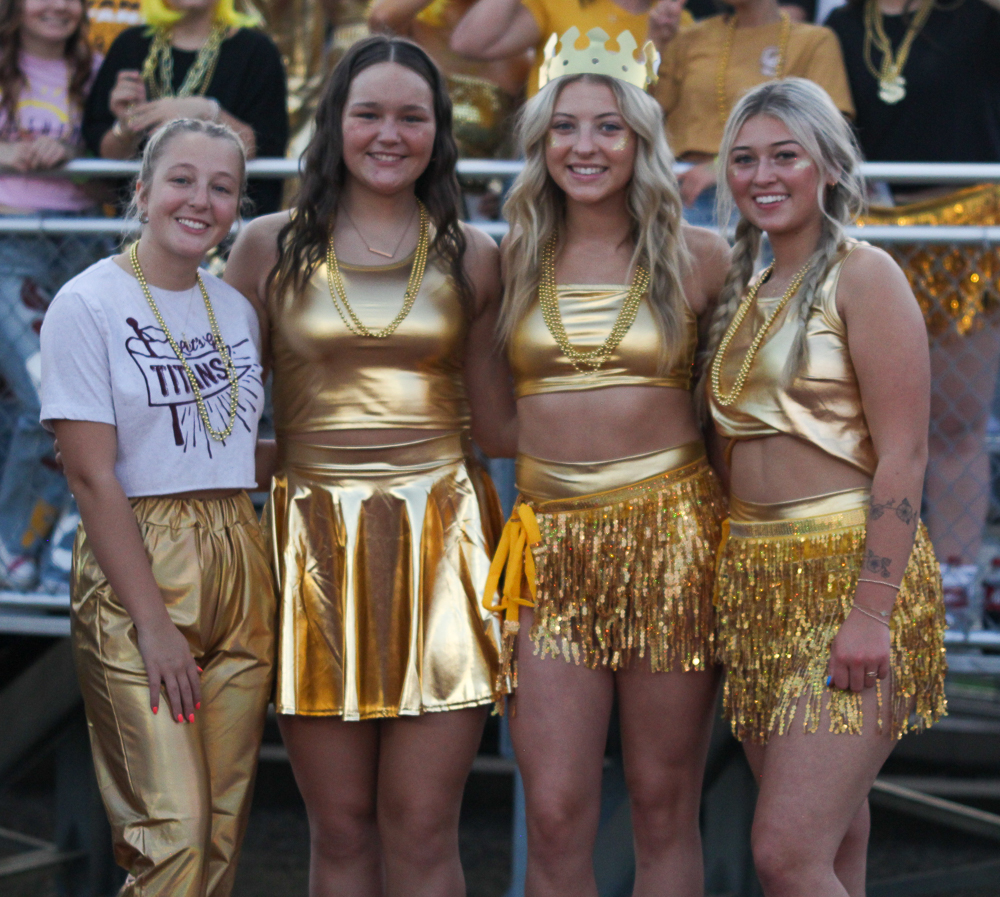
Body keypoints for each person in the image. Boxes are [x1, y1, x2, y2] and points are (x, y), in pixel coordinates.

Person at [223, 35, 515, 896]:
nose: (390, 134)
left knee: (423, 827)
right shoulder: (265, 246)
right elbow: (224, 418)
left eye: (412, 116)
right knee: (342, 828)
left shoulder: (475, 253)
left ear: (439, 131)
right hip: (312, 543)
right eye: (369, 113)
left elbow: (498, 424)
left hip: (445, 546)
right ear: (334, 124)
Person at [482, 27, 729, 897]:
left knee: (664, 801)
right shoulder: (506, 258)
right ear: (541, 140)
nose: (584, 147)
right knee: (552, 808)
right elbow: (486, 414)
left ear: (643, 143)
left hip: (670, 543)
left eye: (610, 128)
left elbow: (727, 417)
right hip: (547, 548)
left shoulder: (702, 259)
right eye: (565, 128)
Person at [704, 78, 947, 895]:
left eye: (785, 155)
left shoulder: (866, 275)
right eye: (743, 159)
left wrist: (872, 609)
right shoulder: (748, 289)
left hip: (850, 580)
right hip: (756, 588)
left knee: (785, 852)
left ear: (830, 168)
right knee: (834, 848)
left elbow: (905, 454)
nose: (762, 175)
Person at [39, 117, 275, 896]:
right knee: (169, 832)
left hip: (238, 547)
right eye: (181, 179)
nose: (200, 199)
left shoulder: (233, 308)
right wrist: (151, 622)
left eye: (221, 186)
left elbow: (226, 447)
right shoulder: (89, 302)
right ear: (141, 191)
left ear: (237, 205)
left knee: (221, 827)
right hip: (141, 555)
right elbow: (91, 476)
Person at [826, 0, 1000, 626]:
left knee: (955, 423)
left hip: (970, 232)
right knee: (869, 426)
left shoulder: (979, 18)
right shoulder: (845, 24)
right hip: (873, 235)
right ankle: (870, 578)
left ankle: (954, 580)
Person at [0, 0, 105, 591]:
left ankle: (50, 547)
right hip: (10, 245)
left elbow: (111, 170)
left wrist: (74, 159)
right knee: (46, 398)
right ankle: (13, 542)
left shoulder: (94, 72)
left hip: (78, 244)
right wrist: (11, 155)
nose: (58, 6)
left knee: (72, 402)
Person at [655, 0, 853, 224]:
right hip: (690, 192)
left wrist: (723, 167)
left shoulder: (814, 40)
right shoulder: (689, 37)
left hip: (774, 189)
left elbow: (829, 130)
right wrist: (655, 42)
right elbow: (645, 112)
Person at [82, 0, 288, 213]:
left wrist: (208, 112)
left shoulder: (257, 51)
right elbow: (105, 154)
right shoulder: (130, 45)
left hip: (225, 228)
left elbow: (265, 149)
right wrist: (128, 126)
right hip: (145, 227)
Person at [368, 0, 531, 158]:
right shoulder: (411, 29)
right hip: (403, 179)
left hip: (474, 183)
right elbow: (382, 19)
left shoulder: (519, 58)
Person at [450, 0, 657, 98]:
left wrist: (657, 40)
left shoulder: (676, 24)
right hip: (544, 153)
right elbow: (469, 43)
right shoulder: (561, 3)